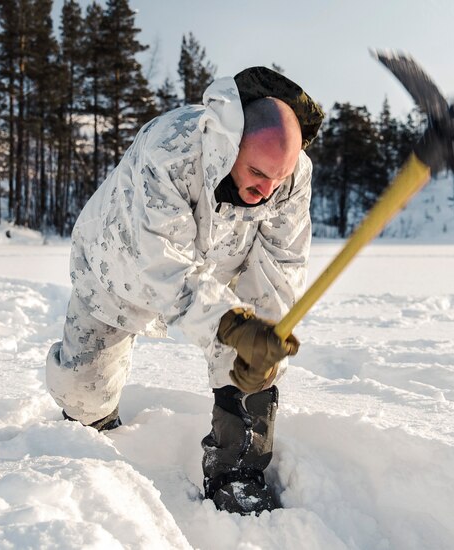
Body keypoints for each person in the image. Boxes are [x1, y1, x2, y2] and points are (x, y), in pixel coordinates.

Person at [45, 67, 324, 515]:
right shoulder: (171, 147)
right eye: (256, 172)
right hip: (120, 265)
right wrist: (229, 323)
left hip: (221, 264)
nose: (267, 190)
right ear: (230, 145)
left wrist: (259, 338)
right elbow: (162, 261)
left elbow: (280, 265)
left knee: (253, 350)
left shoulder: (289, 179)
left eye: (279, 177)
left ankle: (237, 468)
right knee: (84, 393)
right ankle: (90, 425)